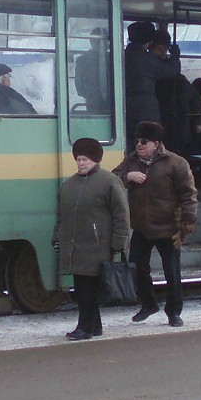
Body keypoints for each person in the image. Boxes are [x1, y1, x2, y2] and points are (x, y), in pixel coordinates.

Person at [112, 121, 198, 327]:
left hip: (169, 228)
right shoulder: (131, 161)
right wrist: (127, 176)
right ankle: (149, 304)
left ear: (156, 144)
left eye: (144, 141)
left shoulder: (176, 163)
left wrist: (187, 224)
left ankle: (174, 313)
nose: (139, 145)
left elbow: (189, 194)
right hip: (141, 227)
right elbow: (112, 179)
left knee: (172, 272)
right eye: (137, 141)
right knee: (137, 268)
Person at [52, 137, 131, 340]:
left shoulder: (109, 181)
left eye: (85, 159)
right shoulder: (69, 185)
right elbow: (61, 215)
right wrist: (57, 236)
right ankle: (94, 326)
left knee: (86, 291)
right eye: (78, 159)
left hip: (98, 247)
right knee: (83, 289)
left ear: (95, 160)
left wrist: (119, 243)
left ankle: (84, 327)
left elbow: (121, 214)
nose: (81, 163)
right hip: (75, 247)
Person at [123, 21, 180, 147]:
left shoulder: (123, 55)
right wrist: (175, 57)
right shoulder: (146, 58)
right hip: (145, 111)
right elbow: (170, 72)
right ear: (149, 40)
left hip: (123, 109)